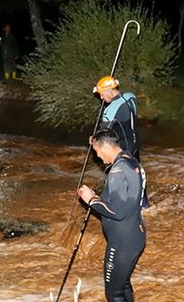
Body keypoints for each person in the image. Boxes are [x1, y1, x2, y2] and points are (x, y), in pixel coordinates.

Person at [77, 128, 147, 302]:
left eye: (97, 151)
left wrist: (91, 200)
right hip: (135, 235)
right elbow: (125, 200)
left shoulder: (117, 173)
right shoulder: (130, 161)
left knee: (113, 294)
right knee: (122, 285)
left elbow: (117, 211)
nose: (98, 156)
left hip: (122, 243)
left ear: (106, 147)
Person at [93, 75, 149, 208]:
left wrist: (93, 139)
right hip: (135, 143)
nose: (101, 98)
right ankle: (144, 204)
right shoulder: (131, 97)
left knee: (122, 179)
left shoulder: (110, 110)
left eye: (102, 94)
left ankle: (123, 207)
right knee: (137, 174)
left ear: (109, 91)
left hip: (122, 149)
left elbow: (103, 135)